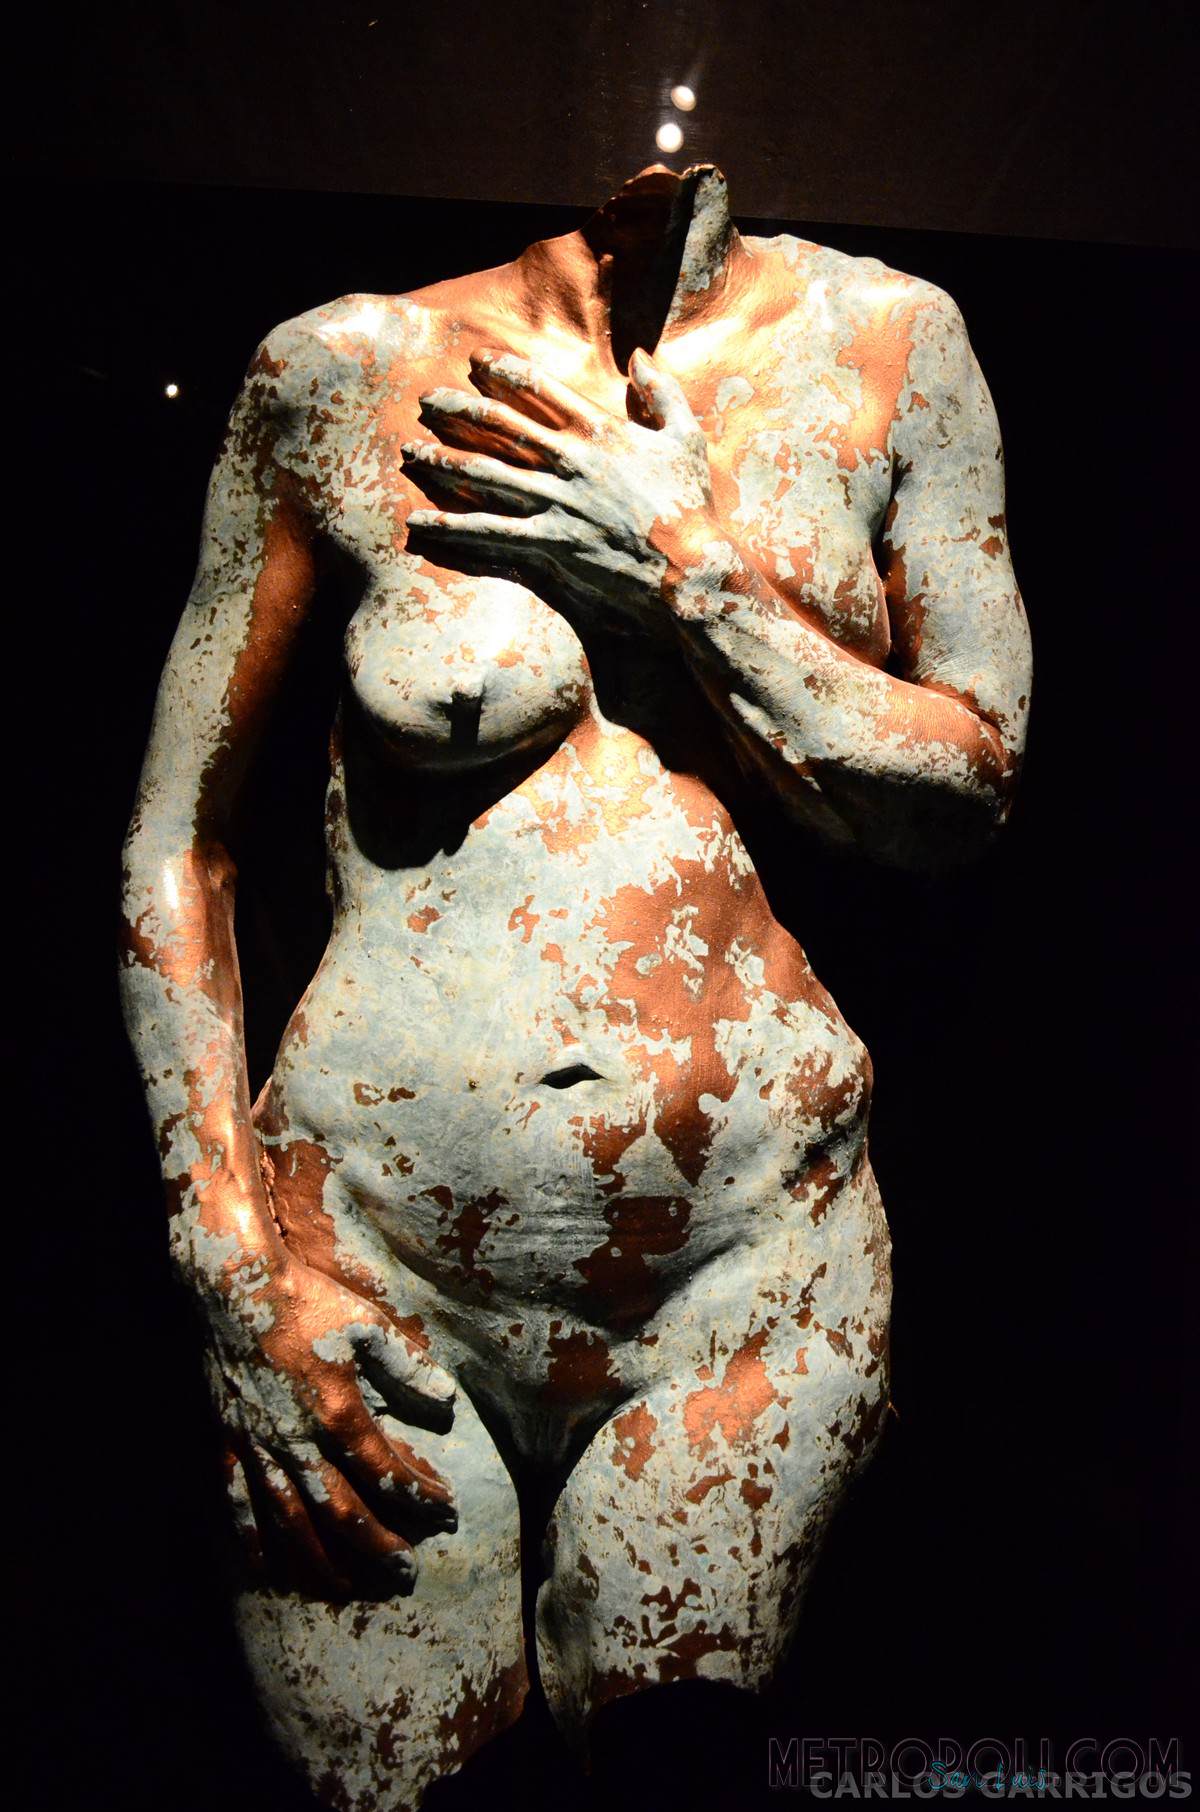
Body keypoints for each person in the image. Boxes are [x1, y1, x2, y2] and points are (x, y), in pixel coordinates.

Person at [120, 163, 1030, 1808]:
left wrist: (688, 566)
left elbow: (966, 795)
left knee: (676, 1774)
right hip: (376, 1256)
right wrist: (230, 1270)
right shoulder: (339, 369)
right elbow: (178, 846)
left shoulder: (891, 345)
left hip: (748, 1263)